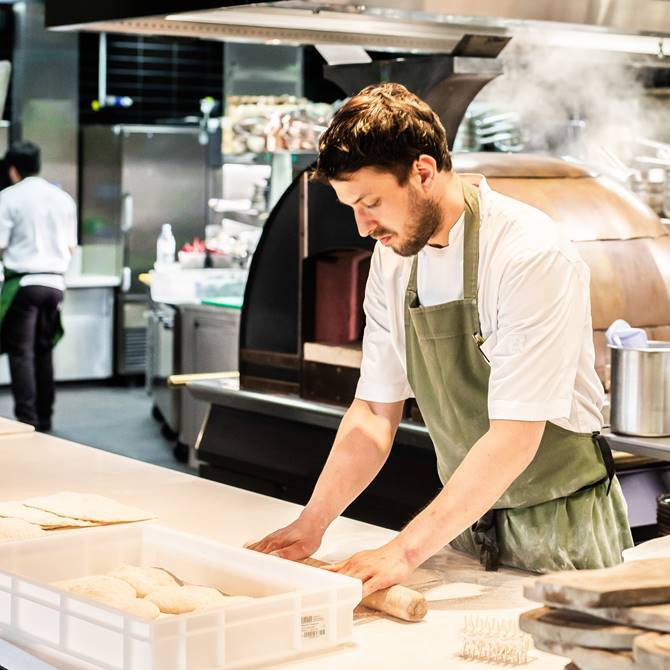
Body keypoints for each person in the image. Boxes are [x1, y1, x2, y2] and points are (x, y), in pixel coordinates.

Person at [249, 83, 633, 595]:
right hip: (464, 523)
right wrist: (312, 523)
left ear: (423, 172)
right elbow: (372, 414)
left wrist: (402, 550)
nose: (363, 227)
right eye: (351, 207)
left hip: (562, 527)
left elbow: (515, 435)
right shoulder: (392, 259)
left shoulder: (528, 254)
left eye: (372, 202)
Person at [0, 141, 76, 431]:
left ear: (13, 169)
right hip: (55, 284)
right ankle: (45, 417)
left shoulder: (9, 197)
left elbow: (0, 243)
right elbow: (70, 247)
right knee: (44, 350)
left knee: (22, 353)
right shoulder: (62, 198)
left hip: (25, 284)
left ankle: (27, 419)